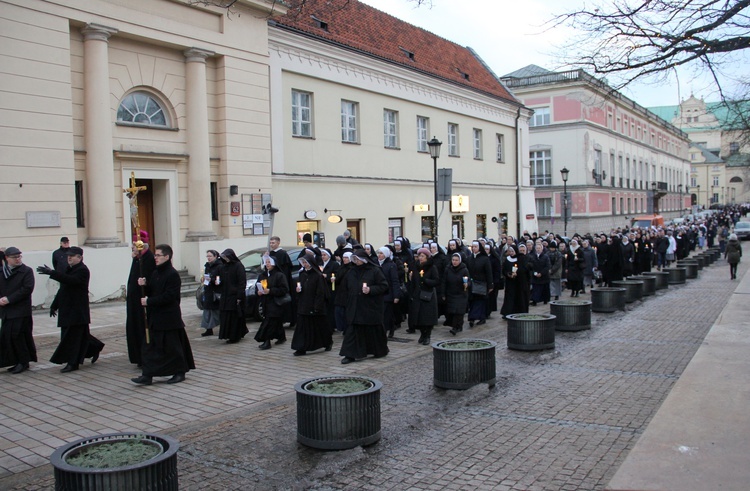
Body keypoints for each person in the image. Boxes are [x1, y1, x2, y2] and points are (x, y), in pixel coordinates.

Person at [132, 244, 195, 385]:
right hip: (155, 317)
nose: (155, 258)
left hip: (169, 317)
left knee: (173, 347)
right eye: (155, 255)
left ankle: (179, 371)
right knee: (150, 347)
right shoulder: (156, 273)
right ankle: (147, 375)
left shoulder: (172, 274)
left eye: (158, 255)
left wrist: (149, 301)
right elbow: (154, 290)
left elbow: (170, 296)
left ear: (167, 257)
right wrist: (145, 285)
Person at [38, 246, 104, 373]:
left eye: (72, 256)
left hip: (78, 310)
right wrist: (54, 305)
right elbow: (63, 288)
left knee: (72, 337)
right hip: (67, 308)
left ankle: (73, 363)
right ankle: (94, 348)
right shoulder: (69, 269)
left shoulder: (83, 270)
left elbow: (71, 281)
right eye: (68, 255)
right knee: (78, 336)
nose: (69, 258)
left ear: (80, 257)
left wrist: (52, 272)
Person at [339, 249, 390, 363]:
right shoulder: (351, 272)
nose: (356, 261)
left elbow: (384, 286)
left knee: (373, 330)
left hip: (370, 307)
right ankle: (350, 355)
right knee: (353, 331)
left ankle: (379, 350)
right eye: (354, 259)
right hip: (355, 306)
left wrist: (370, 289)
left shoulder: (375, 270)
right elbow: (345, 288)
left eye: (358, 259)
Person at [0, 247, 37, 374]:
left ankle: (23, 361)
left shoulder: (26, 271)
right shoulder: (2, 272)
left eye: (19, 256)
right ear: (6, 258)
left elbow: (27, 289)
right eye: (15, 257)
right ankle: (15, 360)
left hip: (21, 310)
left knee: (18, 336)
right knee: (7, 336)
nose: (18, 259)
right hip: (6, 311)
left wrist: (9, 299)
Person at [291, 249, 331, 356]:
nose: (305, 264)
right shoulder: (303, 274)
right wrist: (298, 291)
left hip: (314, 306)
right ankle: (301, 347)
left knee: (319, 327)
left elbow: (320, 293)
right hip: (304, 305)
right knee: (302, 328)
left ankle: (327, 343)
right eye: (303, 263)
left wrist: (317, 306)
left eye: (306, 262)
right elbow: (301, 289)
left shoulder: (318, 276)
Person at [125, 238, 156, 367]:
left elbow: (150, 280)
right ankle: (138, 356)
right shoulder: (138, 259)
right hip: (134, 301)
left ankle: (145, 356)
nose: (132, 248)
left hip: (143, 302)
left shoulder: (148, 259)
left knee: (143, 328)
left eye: (134, 246)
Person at [254, 255, 289, 349]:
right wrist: (258, 292)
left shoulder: (279, 275)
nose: (267, 264)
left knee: (269, 322)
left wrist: (270, 291)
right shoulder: (262, 275)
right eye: (266, 262)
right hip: (265, 302)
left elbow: (284, 289)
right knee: (276, 322)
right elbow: (257, 287)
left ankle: (267, 340)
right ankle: (281, 337)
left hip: (276, 303)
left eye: (269, 262)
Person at [408, 247, 439, 345]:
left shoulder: (432, 267)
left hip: (428, 295)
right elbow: (414, 281)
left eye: (422, 256)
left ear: (427, 257)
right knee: (419, 317)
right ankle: (422, 334)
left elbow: (436, 281)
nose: (420, 258)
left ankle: (427, 336)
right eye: (419, 256)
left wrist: (426, 281)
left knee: (427, 318)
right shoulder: (416, 266)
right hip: (417, 294)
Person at [217, 248, 249, 344]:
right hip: (225, 295)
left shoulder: (238, 266)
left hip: (234, 295)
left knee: (234, 316)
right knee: (225, 316)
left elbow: (241, 282)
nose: (225, 259)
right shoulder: (223, 267)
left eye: (226, 257)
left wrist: (239, 296)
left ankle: (235, 336)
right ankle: (227, 334)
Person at [268, 236, 295, 327]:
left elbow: (286, 270)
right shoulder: (270, 253)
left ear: (278, 243)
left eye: (273, 243)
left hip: (282, 281)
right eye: (270, 243)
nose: (271, 244)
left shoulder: (283, 254)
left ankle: (289, 319)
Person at [466, 240, 493, 327]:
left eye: (475, 247)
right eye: (473, 247)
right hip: (471, 284)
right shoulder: (469, 258)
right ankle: (477, 317)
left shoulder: (485, 259)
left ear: (479, 248)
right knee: (472, 301)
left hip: (481, 283)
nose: (474, 248)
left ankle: (475, 318)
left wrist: (490, 285)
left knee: (480, 302)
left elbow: (489, 273)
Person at [376, 246, 401, 339]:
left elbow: (395, 281)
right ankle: (386, 328)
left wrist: (396, 295)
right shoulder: (375, 264)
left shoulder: (391, 265)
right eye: (378, 253)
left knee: (387, 314)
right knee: (382, 313)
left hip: (388, 293)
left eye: (381, 253)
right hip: (378, 293)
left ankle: (387, 329)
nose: (379, 255)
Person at [442, 252, 469, 335]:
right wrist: (443, 293)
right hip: (451, 293)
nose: (454, 262)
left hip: (461, 294)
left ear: (460, 261)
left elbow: (468, 281)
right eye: (453, 260)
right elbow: (444, 282)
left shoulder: (464, 270)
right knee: (452, 311)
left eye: (456, 260)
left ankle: (456, 327)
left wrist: (467, 284)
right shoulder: (448, 269)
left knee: (459, 312)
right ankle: (456, 326)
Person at [200, 249, 222, 337]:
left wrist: (212, 280)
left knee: (216, 312)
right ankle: (208, 329)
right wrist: (204, 279)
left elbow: (219, 279)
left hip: (215, 291)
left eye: (210, 256)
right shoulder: (207, 266)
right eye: (207, 256)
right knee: (207, 311)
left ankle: (221, 327)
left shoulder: (219, 266)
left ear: (215, 256)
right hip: (208, 290)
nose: (208, 258)